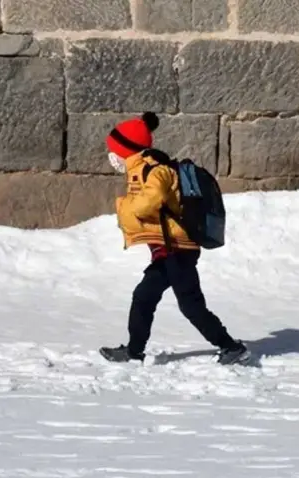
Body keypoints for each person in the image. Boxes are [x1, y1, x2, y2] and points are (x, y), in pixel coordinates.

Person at [98, 112, 250, 366]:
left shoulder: (157, 171)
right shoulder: (143, 169)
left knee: (190, 305)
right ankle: (134, 351)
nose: (111, 156)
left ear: (127, 150)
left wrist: (124, 206)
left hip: (178, 250)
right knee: (143, 297)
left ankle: (231, 347)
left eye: (114, 151)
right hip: (167, 251)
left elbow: (151, 201)